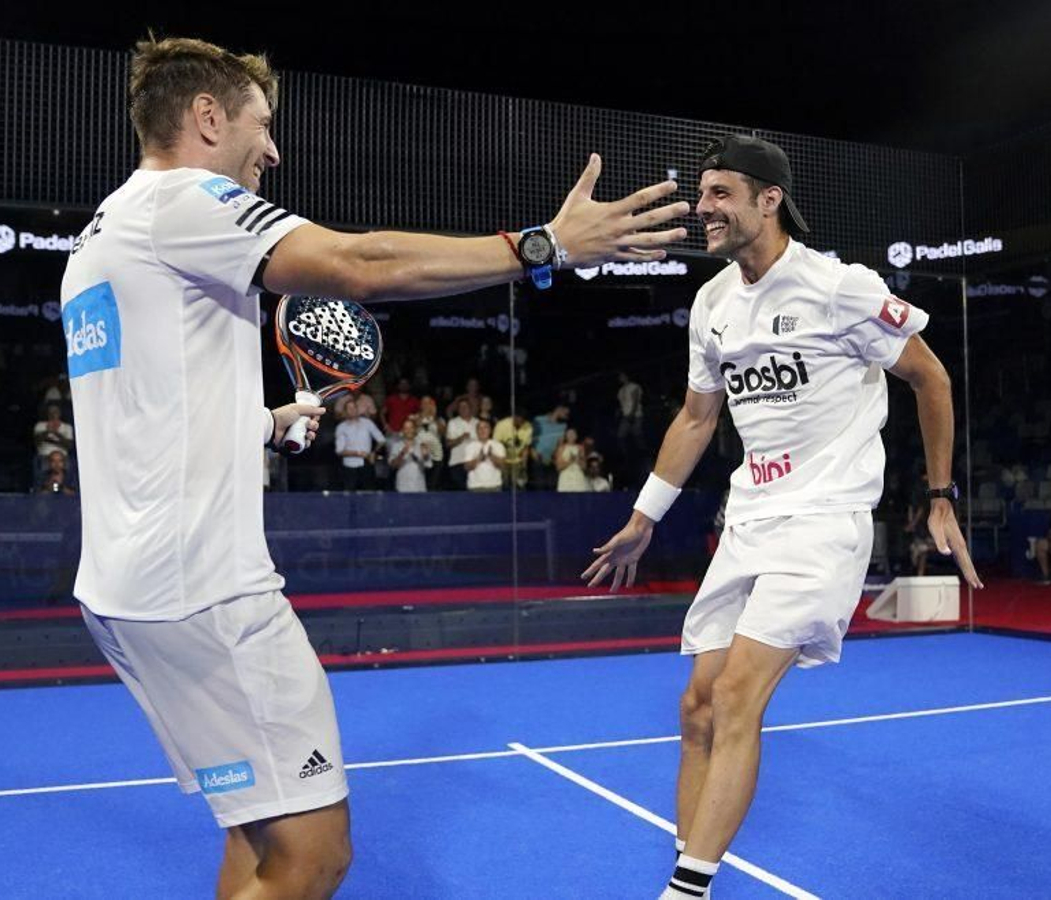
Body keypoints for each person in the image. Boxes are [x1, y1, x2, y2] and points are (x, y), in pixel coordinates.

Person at [60, 35, 686, 900]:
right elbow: (364, 264)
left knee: (258, 839)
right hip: (206, 593)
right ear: (207, 119)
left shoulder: (101, 236)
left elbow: (146, 413)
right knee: (317, 858)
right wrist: (541, 246)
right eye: (262, 125)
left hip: (127, 590)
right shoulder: (185, 201)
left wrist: (268, 420)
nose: (273, 150)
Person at [581, 134, 980, 900]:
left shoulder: (840, 287)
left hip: (823, 523)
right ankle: (688, 866)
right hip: (749, 523)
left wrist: (939, 495)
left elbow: (930, 378)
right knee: (696, 705)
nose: (703, 209)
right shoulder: (712, 302)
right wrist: (645, 515)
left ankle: (684, 892)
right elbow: (698, 419)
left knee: (736, 695)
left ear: (770, 199)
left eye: (719, 194)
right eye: (701, 196)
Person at [334, 405, 384, 491]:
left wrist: (374, 452)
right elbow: (339, 451)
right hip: (349, 466)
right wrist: (358, 453)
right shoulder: (341, 427)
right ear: (345, 412)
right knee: (349, 497)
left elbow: (381, 440)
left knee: (369, 495)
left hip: (367, 464)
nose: (353, 410)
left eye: (355, 407)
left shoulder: (367, 423)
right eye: (350, 408)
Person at [386, 417, 431, 493]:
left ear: (415, 429)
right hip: (402, 488)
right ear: (403, 431)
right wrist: (402, 454)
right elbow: (393, 466)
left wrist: (425, 456)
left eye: (411, 428)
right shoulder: (396, 446)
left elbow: (428, 465)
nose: (409, 431)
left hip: (419, 487)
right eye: (406, 428)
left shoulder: (422, 445)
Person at [492, 408, 533, 490]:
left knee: (519, 487)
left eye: (522, 421)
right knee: (504, 485)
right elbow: (495, 446)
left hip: (517, 461)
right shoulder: (501, 425)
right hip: (502, 459)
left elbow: (525, 448)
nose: (520, 423)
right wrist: (500, 462)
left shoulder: (528, 427)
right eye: (518, 419)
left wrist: (523, 467)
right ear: (514, 417)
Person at [463, 419, 506, 492]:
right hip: (475, 487)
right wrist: (479, 459)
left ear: (490, 430)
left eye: (486, 427)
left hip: (495, 486)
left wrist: (491, 456)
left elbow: (502, 466)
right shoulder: (470, 446)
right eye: (480, 428)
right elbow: (467, 467)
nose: (483, 430)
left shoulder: (498, 445)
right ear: (476, 431)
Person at [446, 397, 479, 490]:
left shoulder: (477, 422)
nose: (463, 409)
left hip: (474, 463)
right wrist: (461, 438)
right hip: (457, 463)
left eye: (465, 406)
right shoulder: (453, 423)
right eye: (460, 407)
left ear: (470, 408)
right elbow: (448, 444)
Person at [555, 427, 589, 492]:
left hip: (578, 478)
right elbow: (558, 467)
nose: (571, 436)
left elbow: (584, 467)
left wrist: (578, 459)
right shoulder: (561, 448)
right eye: (569, 434)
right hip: (566, 478)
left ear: (576, 436)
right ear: (566, 436)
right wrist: (570, 461)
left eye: (573, 434)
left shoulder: (580, 448)